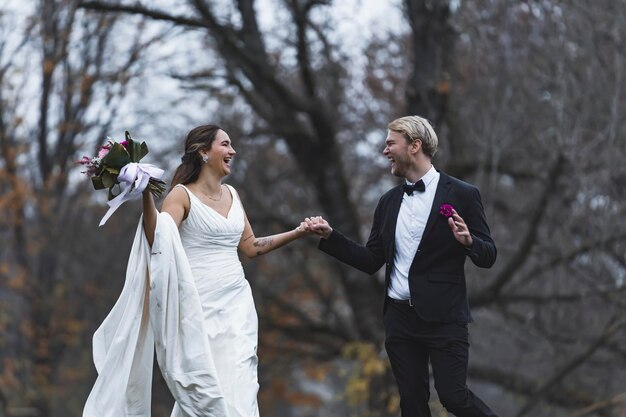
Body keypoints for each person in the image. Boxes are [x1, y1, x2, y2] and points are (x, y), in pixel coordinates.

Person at [84, 124, 307, 417]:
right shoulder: (181, 196)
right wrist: (145, 194)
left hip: (237, 307)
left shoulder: (232, 194)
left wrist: (299, 232)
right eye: (225, 144)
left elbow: (251, 247)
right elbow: (158, 238)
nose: (233, 151)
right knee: (206, 393)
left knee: (241, 388)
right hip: (199, 309)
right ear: (203, 152)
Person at [304, 115, 499, 417]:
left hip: (445, 318)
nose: (385, 151)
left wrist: (469, 241)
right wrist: (331, 237)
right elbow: (371, 261)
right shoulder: (388, 202)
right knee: (412, 405)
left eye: (390, 143)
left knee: (453, 397)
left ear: (414, 146)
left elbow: (488, 255)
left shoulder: (463, 194)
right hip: (400, 320)